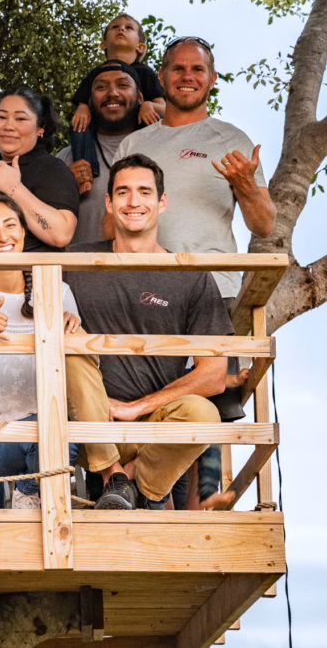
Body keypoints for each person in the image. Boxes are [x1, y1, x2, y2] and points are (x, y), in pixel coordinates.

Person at [112, 36, 276, 503]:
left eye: (197, 70)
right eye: (178, 69)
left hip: (213, 290)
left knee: (212, 402)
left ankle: (202, 512)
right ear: (160, 77)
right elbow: (115, 215)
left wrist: (245, 185)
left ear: (212, 78)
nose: (187, 77)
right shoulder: (136, 142)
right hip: (143, 290)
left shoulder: (231, 140)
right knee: (155, 404)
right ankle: (145, 504)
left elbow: (263, 224)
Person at [0, 193, 135, 510]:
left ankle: (30, 490)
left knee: (66, 405)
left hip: (32, 440)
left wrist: (69, 329)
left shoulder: (55, 290)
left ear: (23, 232)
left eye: (10, 225)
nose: (3, 236)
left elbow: (74, 375)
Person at [66, 154, 230, 508]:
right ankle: (113, 476)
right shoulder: (73, 263)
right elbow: (16, 289)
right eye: (122, 192)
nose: (134, 201)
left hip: (157, 427)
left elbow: (215, 375)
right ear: (108, 203)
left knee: (204, 414)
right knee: (69, 346)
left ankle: (127, 484)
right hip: (90, 424)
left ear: (162, 202)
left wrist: (138, 408)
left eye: (144, 191)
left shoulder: (191, 276)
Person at [0, 87, 79, 252]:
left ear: (41, 128)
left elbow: (61, 235)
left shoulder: (52, 169)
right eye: (1, 117)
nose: (8, 126)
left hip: (36, 275)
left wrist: (14, 189)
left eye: (20, 119)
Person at [57, 60, 148, 243]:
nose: (112, 93)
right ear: (90, 101)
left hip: (148, 268)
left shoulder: (158, 150)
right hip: (81, 269)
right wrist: (65, 187)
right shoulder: (67, 157)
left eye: (122, 85)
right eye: (101, 87)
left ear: (139, 97)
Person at [68, 13, 165, 178]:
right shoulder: (96, 74)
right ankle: (87, 170)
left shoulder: (145, 73)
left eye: (128, 28)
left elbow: (164, 108)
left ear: (140, 46)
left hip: (141, 125)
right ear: (103, 44)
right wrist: (83, 107)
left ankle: (150, 164)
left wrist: (149, 105)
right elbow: (84, 101)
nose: (121, 29)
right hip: (103, 126)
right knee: (78, 125)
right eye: (115, 27)